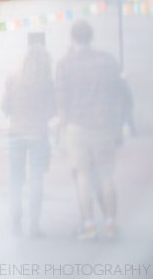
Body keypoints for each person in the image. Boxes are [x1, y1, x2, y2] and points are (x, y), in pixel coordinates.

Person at [56, 20, 131, 241]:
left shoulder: (65, 63)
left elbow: (61, 100)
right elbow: (119, 94)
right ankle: (110, 223)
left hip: (77, 127)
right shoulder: (108, 61)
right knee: (106, 175)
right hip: (104, 125)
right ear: (91, 36)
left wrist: (62, 127)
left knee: (83, 176)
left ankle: (89, 225)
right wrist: (118, 125)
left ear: (72, 38)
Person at [1, 46, 56, 238]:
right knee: (36, 178)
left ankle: (16, 222)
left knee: (16, 180)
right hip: (38, 134)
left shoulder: (13, 81)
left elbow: (5, 107)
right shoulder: (46, 83)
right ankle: (34, 225)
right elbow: (52, 110)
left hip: (16, 133)